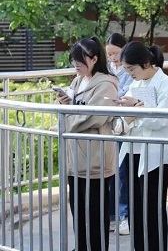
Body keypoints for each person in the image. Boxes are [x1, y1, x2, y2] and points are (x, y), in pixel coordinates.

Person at [114, 42, 168, 251]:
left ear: (146, 63)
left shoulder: (164, 83)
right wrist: (127, 116)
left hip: (156, 154)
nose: (129, 73)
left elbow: (163, 119)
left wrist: (137, 110)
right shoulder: (136, 84)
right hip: (134, 150)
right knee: (135, 209)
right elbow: (128, 118)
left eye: (132, 68)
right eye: (126, 69)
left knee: (153, 209)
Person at [57, 37, 118, 251]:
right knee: (78, 210)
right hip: (75, 159)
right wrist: (64, 103)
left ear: (94, 59)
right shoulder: (78, 80)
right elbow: (76, 110)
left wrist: (66, 122)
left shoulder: (106, 84)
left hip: (95, 160)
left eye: (80, 61)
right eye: (74, 61)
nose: (76, 65)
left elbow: (95, 116)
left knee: (95, 213)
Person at [105, 33, 133, 235]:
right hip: (110, 123)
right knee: (111, 171)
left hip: (124, 123)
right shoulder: (108, 69)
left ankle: (124, 215)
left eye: (116, 53)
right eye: (109, 54)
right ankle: (112, 215)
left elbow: (128, 94)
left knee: (122, 172)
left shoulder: (130, 70)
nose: (113, 58)